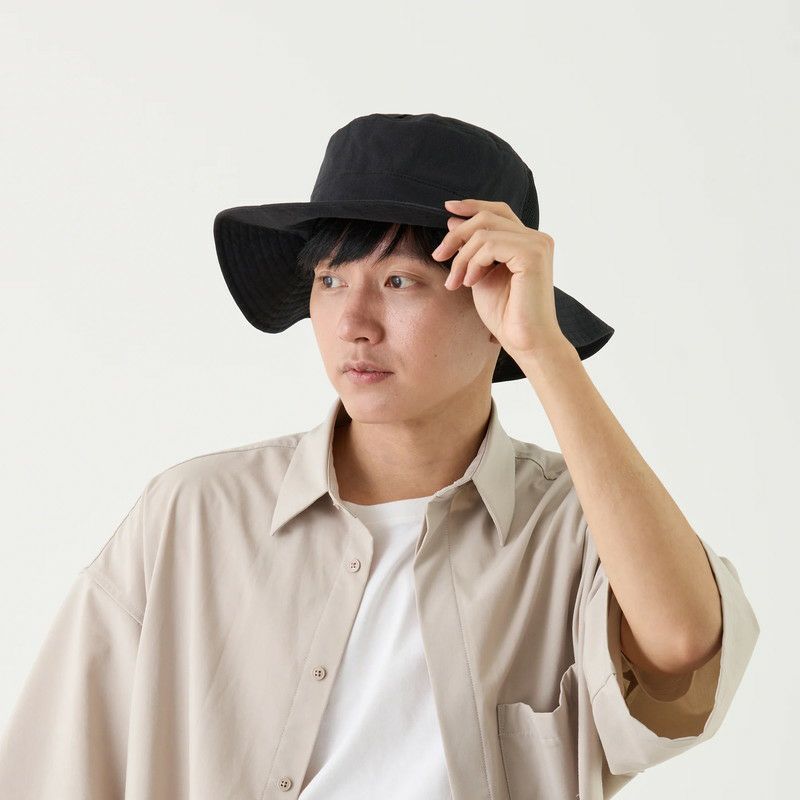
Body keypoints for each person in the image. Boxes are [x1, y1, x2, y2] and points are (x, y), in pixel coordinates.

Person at [0, 113, 759, 799]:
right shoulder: (192, 514)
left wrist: (545, 350)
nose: (353, 322)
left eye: (400, 280)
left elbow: (685, 644)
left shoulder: (577, 527)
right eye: (330, 279)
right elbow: (53, 769)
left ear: (493, 306)